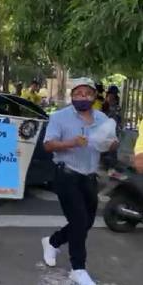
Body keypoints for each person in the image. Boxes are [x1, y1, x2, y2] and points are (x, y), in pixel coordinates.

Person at [41, 78, 118, 285]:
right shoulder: (59, 117)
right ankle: (78, 268)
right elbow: (48, 145)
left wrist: (112, 144)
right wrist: (71, 143)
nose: (82, 97)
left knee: (87, 222)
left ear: (94, 96)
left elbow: (109, 142)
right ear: (71, 96)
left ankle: (52, 241)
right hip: (66, 174)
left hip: (89, 176)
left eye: (87, 93)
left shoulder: (102, 118)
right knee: (78, 221)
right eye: (78, 93)